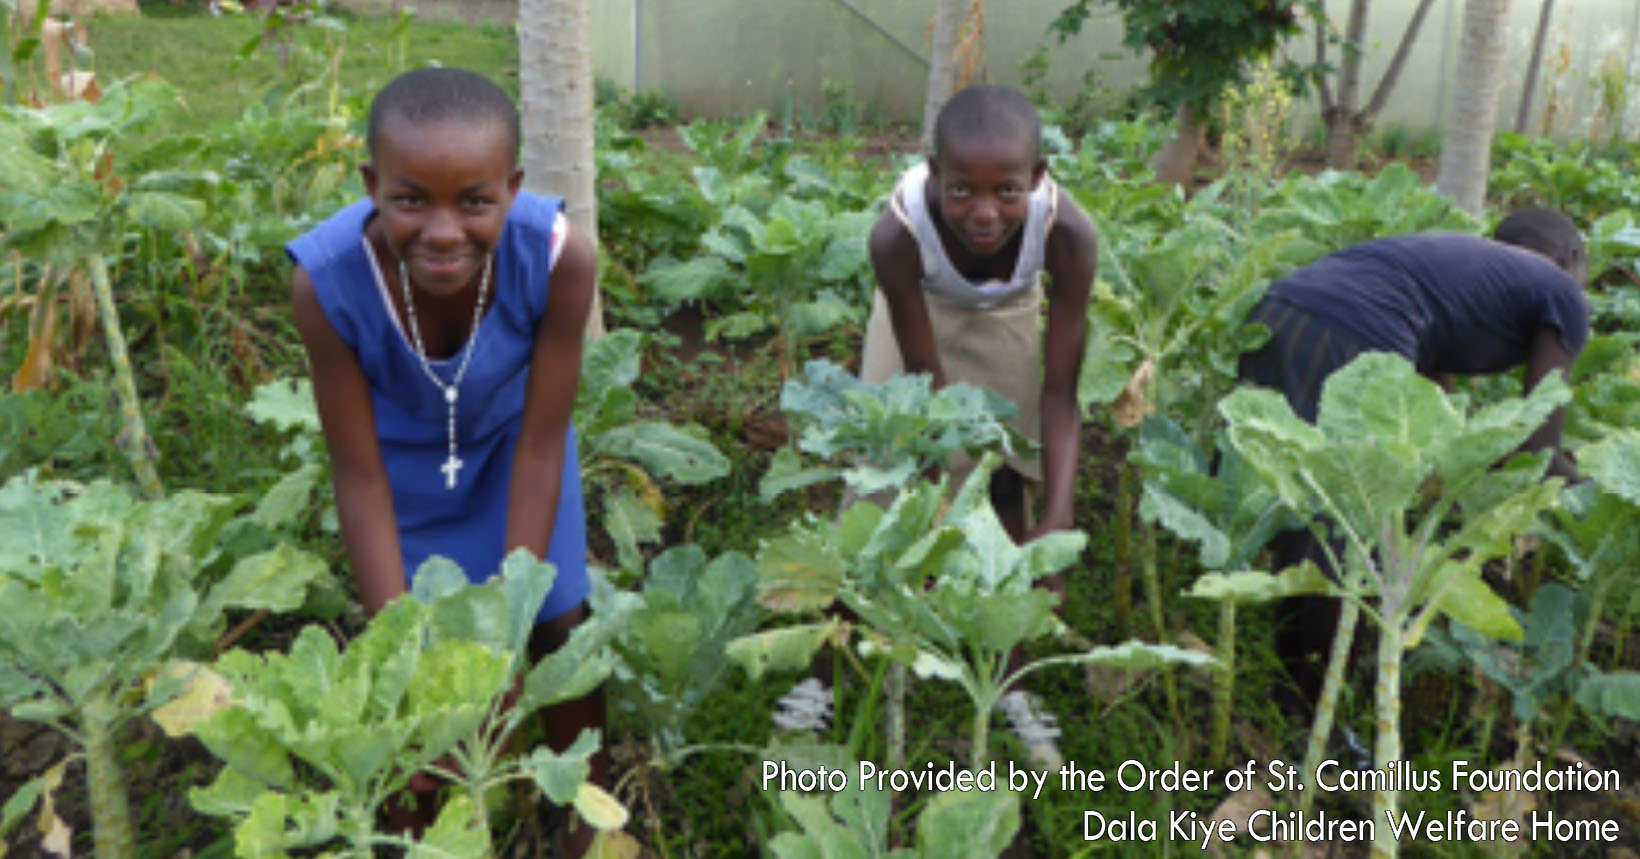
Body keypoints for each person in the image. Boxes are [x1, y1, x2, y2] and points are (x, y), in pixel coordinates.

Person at [287, 67, 601, 850]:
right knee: (407, 685)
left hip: (514, 455)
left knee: (560, 625)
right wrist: (407, 662)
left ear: (514, 186)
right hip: (397, 476)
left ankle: (576, 817)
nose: (442, 230)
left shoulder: (560, 258)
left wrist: (510, 632)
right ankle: (421, 832)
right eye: (409, 198)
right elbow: (358, 478)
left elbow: (540, 441)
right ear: (371, 185)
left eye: (475, 200)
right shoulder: (325, 283)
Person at [825, 82, 1097, 767]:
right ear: (934, 175)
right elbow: (928, 390)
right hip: (918, 313)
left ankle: (1008, 677)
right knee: (880, 486)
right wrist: (938, 512)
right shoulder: (898, 233)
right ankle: (822, 671)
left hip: (1006, 311)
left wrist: (1058, 519)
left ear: (1036, 179)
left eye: (1007, 191)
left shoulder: (1067, 236)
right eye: (960, 191)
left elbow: (1060, 394)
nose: (983, 212)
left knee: (1007, 483)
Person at [1238, 207, 1590, 715]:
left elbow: (1432, 399)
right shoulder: (1562, 292)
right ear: (1571, 258)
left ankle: (1293, 683)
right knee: (1350, 525)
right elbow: (1541, 450)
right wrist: (1592, 489)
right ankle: (1309, 710)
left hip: (1281, 308)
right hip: (1353, 332)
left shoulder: (1466, 270)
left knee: (1308, 503)